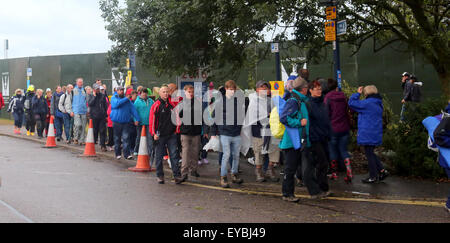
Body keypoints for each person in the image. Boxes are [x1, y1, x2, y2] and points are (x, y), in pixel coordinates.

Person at [280, 77, 327, 202]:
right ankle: (287, 194)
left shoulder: (300, 100)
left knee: (307, 166)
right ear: (304, 89)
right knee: (291, 168)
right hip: (293, 141)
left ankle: (314, 191)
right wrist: (299, 122)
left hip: (301, 140)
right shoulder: (294, 101)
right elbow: (284, 118)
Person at [348, 85, 389, 183]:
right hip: (375, 132)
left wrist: (357, 93)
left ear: (366, 93)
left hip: (367, 132)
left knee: (369, 154)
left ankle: (373, 176)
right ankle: (382, 171)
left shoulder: (367, 103)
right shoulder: (379, 103)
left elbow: (351, 103)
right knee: (370, 152)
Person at [210, 80, 245, 188]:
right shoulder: (220, 102)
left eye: (233, 89)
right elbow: (214, 118)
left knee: (236, 156)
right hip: (224, 133)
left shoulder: (237, 102)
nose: (232, 91)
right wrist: (213, 133)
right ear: (226, 89)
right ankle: (223, 177)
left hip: (236, 133)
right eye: (230, 89)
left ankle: (234, 174)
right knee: (226, 155)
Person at [149, 85, 184, 184]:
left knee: (174, 155)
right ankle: (160, 175)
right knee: (159, 156)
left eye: (167, 92)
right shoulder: (156, 105)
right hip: (160, 135)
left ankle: (177, 175)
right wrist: (154, 133)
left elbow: (181, 101)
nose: (165, 93)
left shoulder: (172, 103)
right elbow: (152, 120)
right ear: (159, 93)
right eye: (163, 92)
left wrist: (177, 129)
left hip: (171, 134)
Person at [247, 81, 280, 183]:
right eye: (262, 88)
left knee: (274, 150)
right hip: (258, 131)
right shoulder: (253, 101)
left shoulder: (272, 101)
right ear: (257, 90)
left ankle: (270, 169)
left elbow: (276, 113)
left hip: (271, 130)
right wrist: (267, 114)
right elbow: (251, 117)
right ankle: (258, 172)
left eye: (266, 88)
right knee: (258, 152)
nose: (264, 90)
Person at [306, 80, 332, 193]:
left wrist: (328, 133)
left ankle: (322, 187)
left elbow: (326, 120)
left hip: (324, 137)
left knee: (324, 163)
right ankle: (321, 187)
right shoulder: (308, 104)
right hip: (314, 138)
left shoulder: (323, 103)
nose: (319, 91)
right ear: (310, 90)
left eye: (320, 89)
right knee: (322, 163)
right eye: (316, 89)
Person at [324, 79, 353, 182]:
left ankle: (334, 173)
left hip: (333, 128)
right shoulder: (343, 96)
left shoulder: (327, 98)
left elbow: (326, 114)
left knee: (333, 151)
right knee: (344, 150)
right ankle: (349, 172)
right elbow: (348, 111)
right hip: (344, 127)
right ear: (336, 87)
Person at [178, 85, 203, 181]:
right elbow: (180, 114)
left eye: (192, 92)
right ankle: (184, 172)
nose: (191, 93)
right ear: (185, 92)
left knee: (195, 152)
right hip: (185, 131)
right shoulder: (182, 103)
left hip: (196, 131)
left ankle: (193, 169)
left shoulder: (197, 102)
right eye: (189, 92)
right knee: (185, 153)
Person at [110, 86, 140, 160]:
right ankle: (118, 154)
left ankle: (127, 154)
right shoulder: (114, 98)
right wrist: (126, 98)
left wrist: (137, 119)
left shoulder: (127, 101)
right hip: (116, 122)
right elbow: (116, 104)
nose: (121, 91)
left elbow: (133, 109)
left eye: (122, 90)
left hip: (126, 122)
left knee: (126, 138)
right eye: (120, 90)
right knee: (117, 139)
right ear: (117, 91)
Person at [133, 88, 154, 160]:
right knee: (139, 137)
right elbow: (134, 112)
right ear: (140, 93)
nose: (145, 94)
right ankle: (136, 150)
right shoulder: (137, 102)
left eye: (146, 93)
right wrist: (135, 120)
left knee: (150, 138)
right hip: (140, 123)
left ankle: (150, 152)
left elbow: (154, 109)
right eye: (143, 93)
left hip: (149, 123)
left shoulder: (151, 101)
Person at [88, 83, 108, 152]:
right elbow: (90, 104)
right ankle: (93, 143)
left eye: (98, 89)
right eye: (96, 89)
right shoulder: (91, 96)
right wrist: (94, 96)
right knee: (95, 131)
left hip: (102, 116)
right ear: (93, 90)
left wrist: (106, 115)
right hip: (94, 116)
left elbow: (105, 105)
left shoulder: (102, 95)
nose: (98, 90)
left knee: (102, 131)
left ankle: (103, 145)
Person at [72, 78, 88, 145]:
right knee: (78, 124)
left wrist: (87, 110)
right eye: (79, 82)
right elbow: (70, 101)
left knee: (83, 126)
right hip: (76, 110)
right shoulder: (73, 91)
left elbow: (86, 100)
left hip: (83, 110)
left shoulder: (84, 90)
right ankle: (75, 137)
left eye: (81, 82)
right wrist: (70, 111)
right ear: (76, 83)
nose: (81, 83)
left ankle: (82, 140)